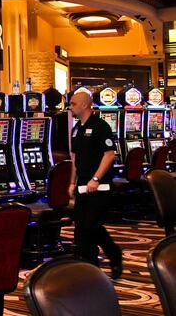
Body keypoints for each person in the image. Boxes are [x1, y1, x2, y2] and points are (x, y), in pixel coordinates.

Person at [68, 91, 123, 279]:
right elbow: (75, 159)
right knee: (82, 228)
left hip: (100, 187)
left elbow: (109, 154)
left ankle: (114, 254)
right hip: (82, 185)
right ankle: (91, 268)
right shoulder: (76, 129)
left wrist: (96, 178)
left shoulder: (101, 126)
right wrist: (71, 182)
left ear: (84, 105)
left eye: (73, 104)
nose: (70, 107)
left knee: (92, 226)